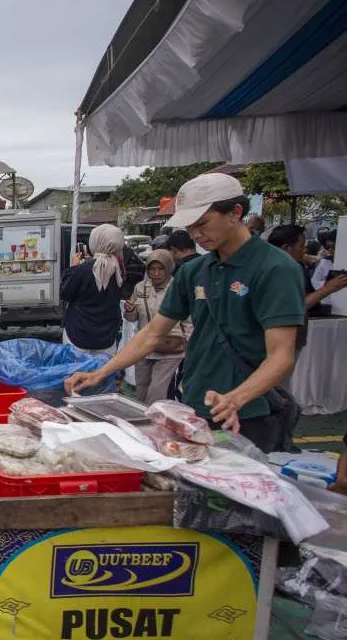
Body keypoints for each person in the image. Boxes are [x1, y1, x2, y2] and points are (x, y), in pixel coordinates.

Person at [67, 173, 305, 454]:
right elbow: (153, 333)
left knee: (239, 492)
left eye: (202, 223)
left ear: (235, 212)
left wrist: (236, 399)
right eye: (190, 226)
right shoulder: (194, 271)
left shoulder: (275, 268)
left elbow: (282, 356)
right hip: (194, 404)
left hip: (249, 413)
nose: (195, 234)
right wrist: (102, 372)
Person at [268, 223, 347, 364]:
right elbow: (295, 307)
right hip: (282, 339)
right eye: (301, 246)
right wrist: (327, 289)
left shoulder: (285, 267)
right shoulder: (283, 271)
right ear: (287, 248)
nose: (304, 250)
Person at [123, 250, 190, 404]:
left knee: (156, 391)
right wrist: (130, 310)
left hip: (171, 346)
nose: (156, 273)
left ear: (169, 268)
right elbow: (132, 318)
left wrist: (186, 341)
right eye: (152, 269)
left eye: (161, 269)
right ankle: (143, 422)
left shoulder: (178, 288)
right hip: (145, 346)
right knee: (141, 389)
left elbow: (189, 320)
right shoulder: (140, 288)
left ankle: (154, 421)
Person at [61, 224, 126, 355]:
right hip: (106, 336)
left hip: (78, 333)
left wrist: (73, 268)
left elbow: (65, 293)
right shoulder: (119, 270)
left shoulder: (82, 270)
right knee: (102, 374)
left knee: (77, 373)